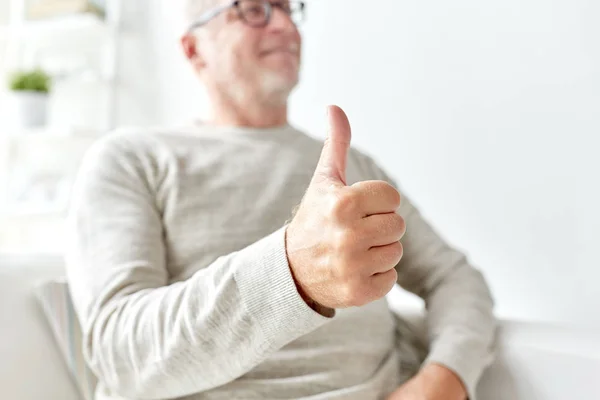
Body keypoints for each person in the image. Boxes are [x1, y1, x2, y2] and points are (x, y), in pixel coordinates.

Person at [65, 1, 496, 399]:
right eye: (254, 9)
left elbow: (454, 278)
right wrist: (293, 273)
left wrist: (443, 379)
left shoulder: (354, 165)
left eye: (290, 8)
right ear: (194, 48)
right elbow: (121, 355)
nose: (287, 25)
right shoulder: (131, 160)